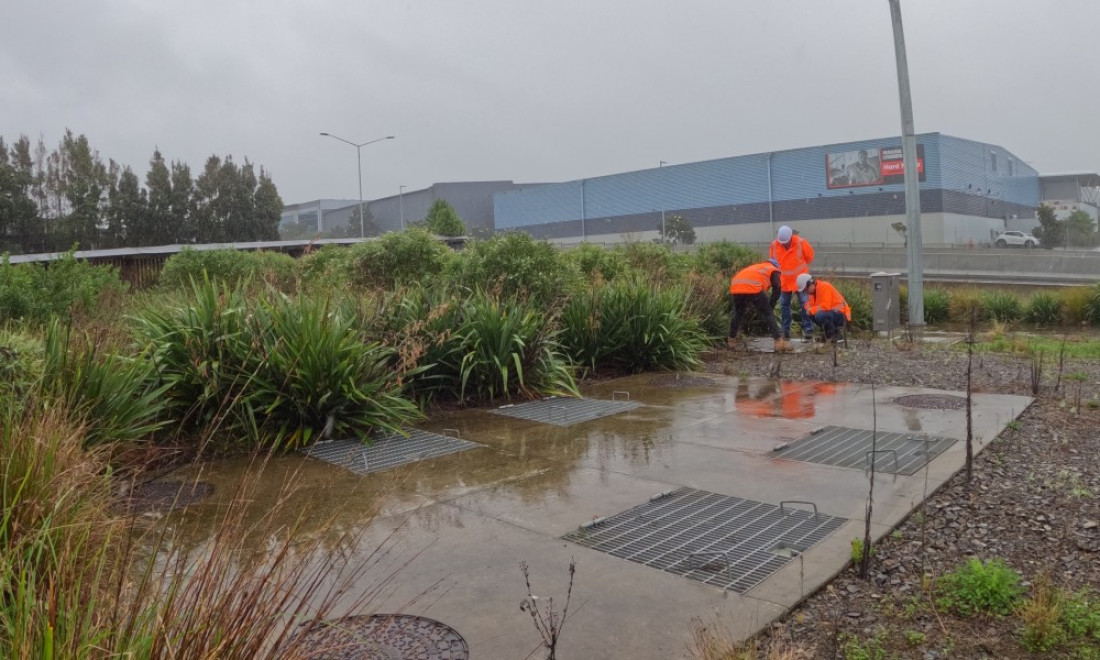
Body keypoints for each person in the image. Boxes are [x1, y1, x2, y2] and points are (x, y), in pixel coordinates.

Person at [727, 259, 791, 352]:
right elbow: (777, 288)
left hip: (736, 287)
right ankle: (779, 342)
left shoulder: (757, 267)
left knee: (738, 313)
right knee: (768, 313)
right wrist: (771, 305)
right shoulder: (773, 269)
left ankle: (731, 340)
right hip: (753, 287)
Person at [769, 225, 815, 342]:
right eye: (782, 242)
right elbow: (773, 263)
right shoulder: (774, 245)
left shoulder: (801, 242)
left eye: (786, 242)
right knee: (785, 306)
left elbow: (809, 257)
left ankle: (808, 330)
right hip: (784, 281)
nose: (784, 244)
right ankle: (785, 332)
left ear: (791, 237)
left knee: (805, 304)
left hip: (801, 281)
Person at [796, 273, 851, 343]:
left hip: (843, 315)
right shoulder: (813, 293)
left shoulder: (824, 287)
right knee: (812, 313)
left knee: (820, 315)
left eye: (805, 290)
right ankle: (827, 334)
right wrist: (807, 308)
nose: (806, 292)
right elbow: (809, 305)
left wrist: (811, 310)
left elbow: (825, 306)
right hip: (833, 314)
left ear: (810, 285)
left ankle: (834, 335)